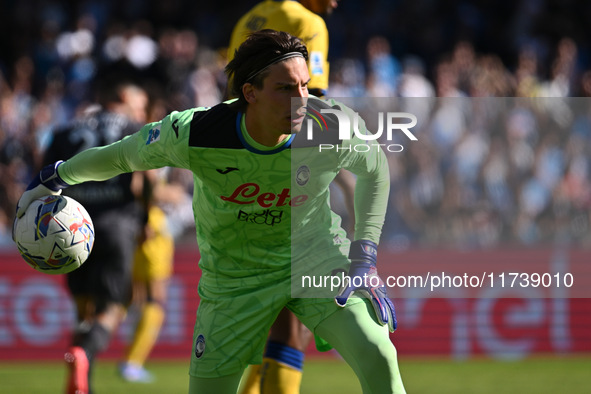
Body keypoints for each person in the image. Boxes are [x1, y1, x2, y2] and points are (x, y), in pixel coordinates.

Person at [17, 30, 404, 394]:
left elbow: (376, 168)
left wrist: (365, 253)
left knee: (379, 353)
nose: (302, 98)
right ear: (249, 93)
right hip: (234, 281)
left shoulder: (330, 125)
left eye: (304, 85)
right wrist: (56, 176)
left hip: (316, 260)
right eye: (285, 88)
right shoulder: (196, 133)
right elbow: (122, 156)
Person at [229, 5, 350, 391]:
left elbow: (231, 100)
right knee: (290, 321)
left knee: (268, 315)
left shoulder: (250, 19)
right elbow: (308, 107)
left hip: (238, 172)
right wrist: (347, 179)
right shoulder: (308, 23)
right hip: (285, 177)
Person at [40, 79, 149, 394]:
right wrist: (143, 219)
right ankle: (83, 354)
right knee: (113, 307)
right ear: (123, 96)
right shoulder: (132, 127)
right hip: (117, 225)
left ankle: (78, 384)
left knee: (83, 314)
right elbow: (141, 181)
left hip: (71, 231)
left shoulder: (64, 131)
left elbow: (44, 178)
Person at [118, 169, 176, 383]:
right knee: (155, 299)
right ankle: (132, 363)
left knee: (135, 298)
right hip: (150, 226)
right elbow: (140, 186)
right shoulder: (149, 144)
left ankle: (94, 343)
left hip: (143, 224)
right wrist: (172, 193)